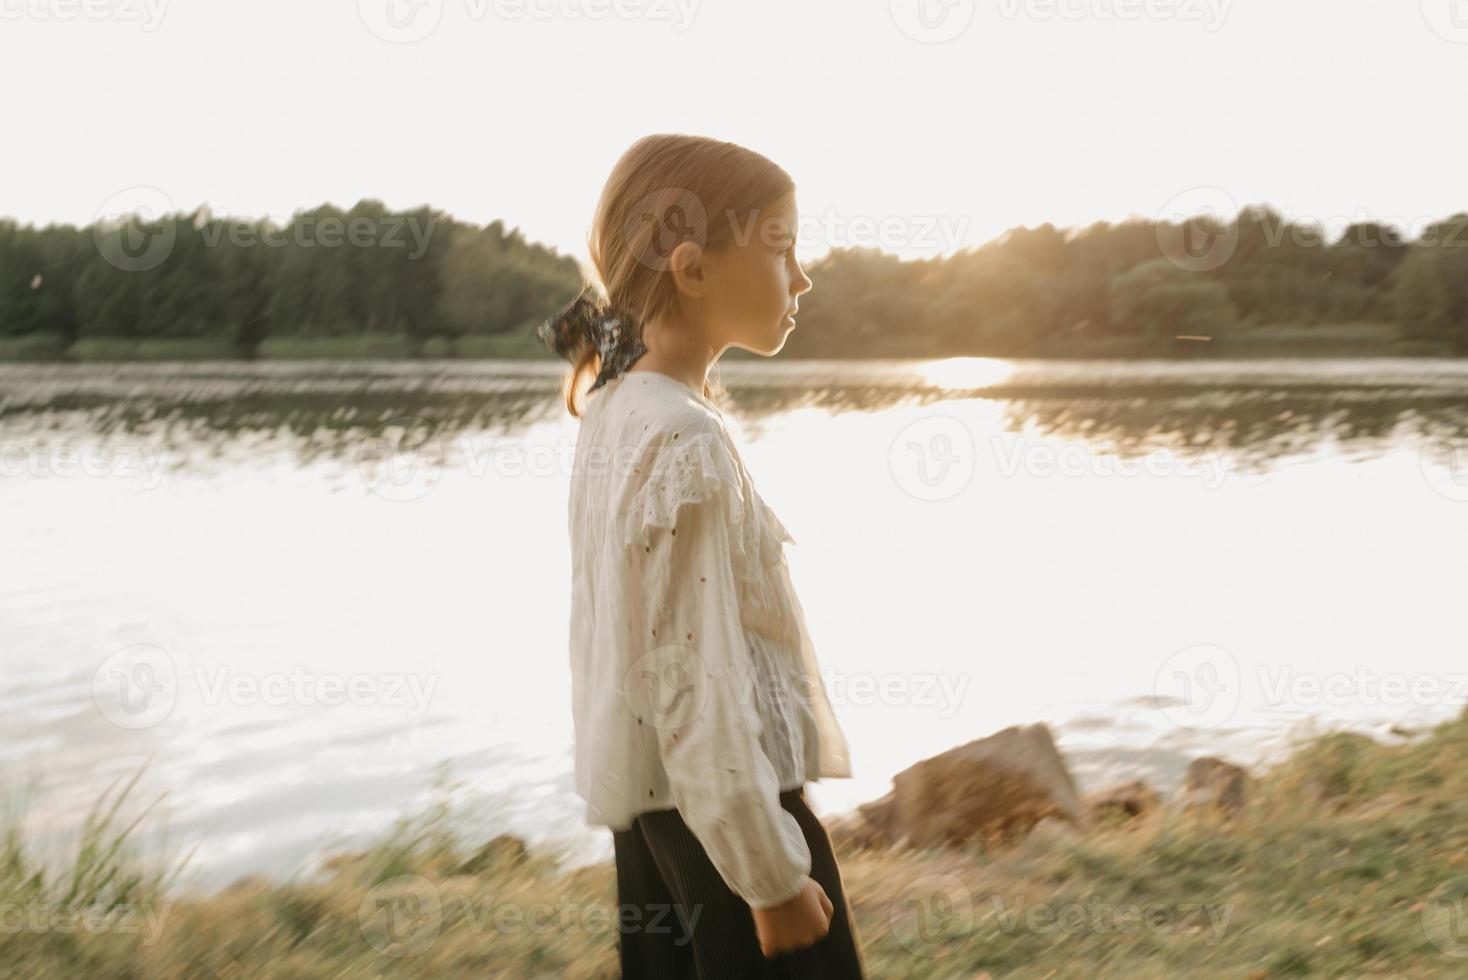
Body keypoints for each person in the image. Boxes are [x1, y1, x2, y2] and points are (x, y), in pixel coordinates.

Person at [540, 134, 867, 978]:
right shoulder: (680, 435)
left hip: (659, 826)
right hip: (731, 832)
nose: (802, 277)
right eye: (782, 247)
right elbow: (688, 682)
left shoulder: (618, 406)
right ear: (691, 267)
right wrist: (771, 878)